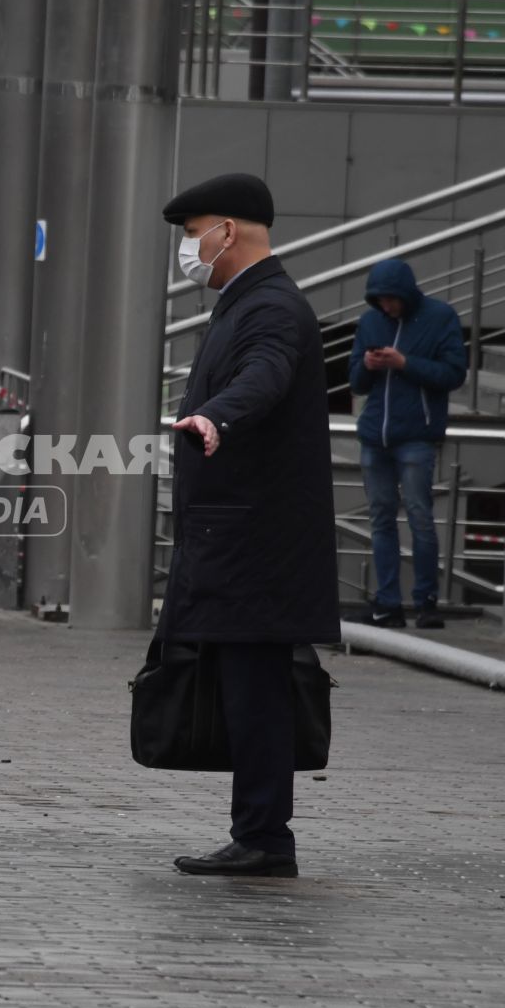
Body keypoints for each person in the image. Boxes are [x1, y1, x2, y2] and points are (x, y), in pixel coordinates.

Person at [159, 172, 340, 879]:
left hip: (257, 549)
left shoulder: (271, 308)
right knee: (247, 689)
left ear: (226, 232)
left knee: (257, 693)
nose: (187, 250)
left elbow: (264, 376)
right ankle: (259, 831)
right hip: (243, 545)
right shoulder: (247, 301)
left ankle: (265, 836)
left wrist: (216, 415)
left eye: (191, 234)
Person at [347, 258, 468, 629]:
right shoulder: (371, 322)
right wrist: (367, 365)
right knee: (381, 520)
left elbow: (453, 373)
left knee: (419, 518)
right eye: (380, 301)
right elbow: (355, 383)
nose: (386, 307)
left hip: (416, 435)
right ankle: (387, 603)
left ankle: (425, 601)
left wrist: (404, 363)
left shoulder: (440, 317)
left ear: (405, 294)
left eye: (391, 300)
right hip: (375, 436)